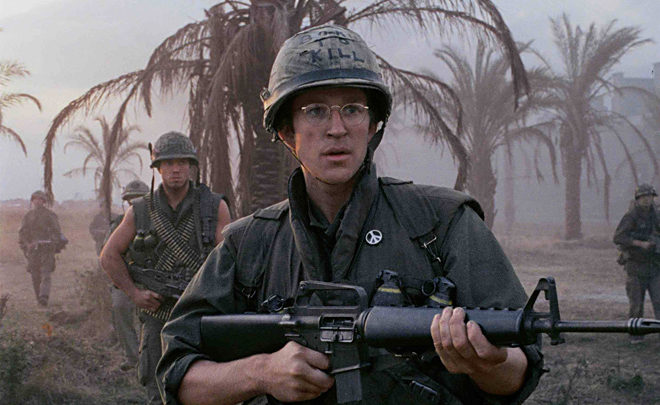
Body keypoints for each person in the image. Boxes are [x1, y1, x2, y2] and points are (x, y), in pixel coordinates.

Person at [157, 25, 543, 405]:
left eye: (353, 109)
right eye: (315, 111)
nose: (337, 129)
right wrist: (262, 372)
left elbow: (519, 370)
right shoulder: (250, 244)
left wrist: (485, 365)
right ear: (287, 131)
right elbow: (177, 375)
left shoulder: (441, 223)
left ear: (372, 126)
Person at [100, 132, 231, 404]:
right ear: (158, 168)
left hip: (201, 317)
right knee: (158, 394)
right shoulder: (140, 211)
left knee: (207, 393)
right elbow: (109, 256)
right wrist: (135, 294)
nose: (176, 169)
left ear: (191, 166)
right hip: (157, 316)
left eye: (182, 162)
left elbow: (230, 260)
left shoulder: (214, 206)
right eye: (169, 163)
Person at [103, 180, 151, 371]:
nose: (134, 203)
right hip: (125, 278)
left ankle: (152, 357)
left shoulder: (158, 223)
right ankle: (132, 357)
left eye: (139, 199)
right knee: (120, 307)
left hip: (153, 279)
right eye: (131, 200)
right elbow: (108, 253)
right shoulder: (118, 223)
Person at [613, 183, 660, 344]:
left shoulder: (656, 215)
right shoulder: (631, 216)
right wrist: (639, 244)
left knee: (659, 302)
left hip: (654, 266)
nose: (647, 200)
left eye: (650, 196)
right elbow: (618, 237)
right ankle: (636, 336)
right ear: (638, 199)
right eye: (644, 197)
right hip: (636, 267)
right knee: (636, 305)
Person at [19, 190, 67, 307]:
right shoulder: (28, 216)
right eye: (35, 199)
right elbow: (22, 233)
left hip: (47, 248)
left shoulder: (50, 215)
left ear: (44, 201)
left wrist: (51, 242)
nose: (37, 201)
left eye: (40, 199)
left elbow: (57, 232)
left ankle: (44, 297)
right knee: (35, 275)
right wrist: (27, 244)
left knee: (46, 273)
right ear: (32, 201)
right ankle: (39, 298)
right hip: (33, 249)